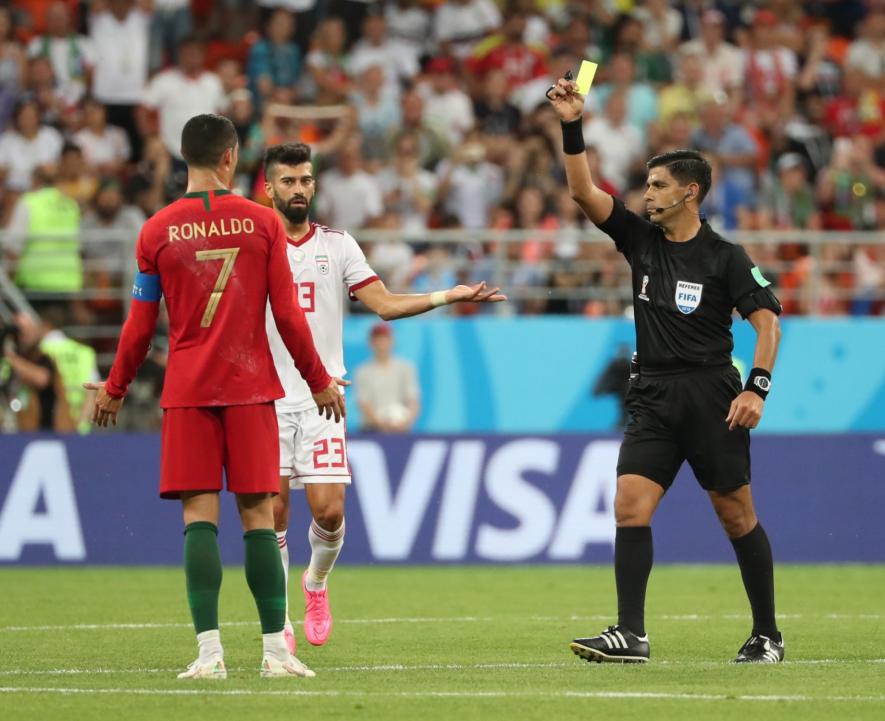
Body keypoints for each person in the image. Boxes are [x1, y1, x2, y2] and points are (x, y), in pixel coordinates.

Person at [86, 114, 346, 680]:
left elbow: (138, 326)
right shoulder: (262, 225)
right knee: (258, 516)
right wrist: (318, 377)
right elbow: (288, 315)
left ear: (186, 159)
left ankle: (209, 655)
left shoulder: (155, 230)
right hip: (252, 391)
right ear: (231, 157)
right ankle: (276, 655)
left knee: (198, 518)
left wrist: (114, 389)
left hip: (188, 391)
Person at [547, 75, 785, 664]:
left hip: (711, 393)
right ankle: (631, 633)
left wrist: (757, 388)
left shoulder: (725, 257)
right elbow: (581, 190)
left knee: (736, 515)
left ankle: (767, 635)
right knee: (630, 505)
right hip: (651, 392)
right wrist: (571, 124)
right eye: (646, 185)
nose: (646, 194)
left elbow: (768, 324)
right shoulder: (638, 239)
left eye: (657, 186)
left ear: (691, 193)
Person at [262, 141, 505, 655]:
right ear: (269, 188)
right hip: (267, 398)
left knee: (328, 513)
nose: (299, 189)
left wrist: (449, 295)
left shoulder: (338, 244)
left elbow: (386, 304)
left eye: (305, 180)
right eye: (288, 181)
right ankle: (277, 615)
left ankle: (316, 585)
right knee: (274, 514)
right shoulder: (255, 246)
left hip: (323, 396)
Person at [355, 322, 420, 431]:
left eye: (385, 339)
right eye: (378, 339)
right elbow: (363, 403)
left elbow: (413, 400)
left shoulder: (406, 368)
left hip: (401, 428)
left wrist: (406, 421)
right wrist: (382, 424)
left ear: (392, 341)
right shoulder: (363, 372)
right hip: (372, 429)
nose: (382, 344)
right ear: (371, 343)